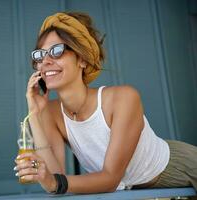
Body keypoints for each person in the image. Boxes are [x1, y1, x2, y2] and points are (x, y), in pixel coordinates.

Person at [14, 12, 197, 194]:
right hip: (131, 190)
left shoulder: (123, 98)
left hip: (180, 166)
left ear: (82, 60)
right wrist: (36, 114)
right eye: (40, 55)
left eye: (56, 51)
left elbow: (109, 178)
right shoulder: (50, 113)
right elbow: (55, 179)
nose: (45, 61)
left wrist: (54, 182)